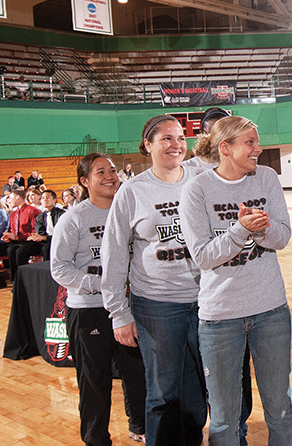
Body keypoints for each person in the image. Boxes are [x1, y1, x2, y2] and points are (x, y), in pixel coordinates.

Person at [181, 116, 292, 446]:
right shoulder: (197, 189)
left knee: (280, 409)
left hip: (271, 310)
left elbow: (283, 236)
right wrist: (240, 230)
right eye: (250, 142)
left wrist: (261, 228)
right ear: (226, 148)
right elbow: (203, 256)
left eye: (256, 141)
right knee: (223, 417)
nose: (258, 148)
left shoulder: (267, 178)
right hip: (220, 317)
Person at [101, 115, 207, 446]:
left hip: (205, 300)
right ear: (147, 145)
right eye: (166, 138)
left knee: (195, 392)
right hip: (157, 306)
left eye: (180, 138)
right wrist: (118, 312)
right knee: (163, 393)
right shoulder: (133, 191)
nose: (176, 145)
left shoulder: (201, 178)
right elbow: (114, 253)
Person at [51, 152, 146, 446]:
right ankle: (95, 439)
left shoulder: (127, 211)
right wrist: (102, 285)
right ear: (85, 181)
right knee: (95, 380)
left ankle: (139, 426)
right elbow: (59, 267)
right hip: (89, 311)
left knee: (136, 373)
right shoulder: (73, 219)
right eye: (100, 172)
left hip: (129, 308)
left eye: (113, 170)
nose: (109, 176)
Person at [0, 189, 41, 286]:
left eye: (10, 197)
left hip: (28, 243)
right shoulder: (13, 214)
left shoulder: (33, 211)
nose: (8, 200)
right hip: (15, 243)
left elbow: (35, 233)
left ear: (18, 197)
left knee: (16, 250)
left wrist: (17, 237)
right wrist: (7, 237)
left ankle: (18, 280)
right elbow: (11, 231)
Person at [28, 189, 65, 261]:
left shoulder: (61, 214)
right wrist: (36, 237)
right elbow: (40, 233)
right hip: (44, 241)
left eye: (47, 198)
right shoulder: (40, 217)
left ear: (54, 200)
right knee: (21, 250)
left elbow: (61, 234)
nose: (45, 200)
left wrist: (44, 238)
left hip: (58, 241)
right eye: (43, 198)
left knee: (46, 249)